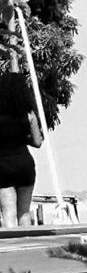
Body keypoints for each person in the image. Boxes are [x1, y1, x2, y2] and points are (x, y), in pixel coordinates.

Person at [0, 69, 42, 228]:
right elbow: (38, 142)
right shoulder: (29, 114)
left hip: (3, 166)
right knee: (24, 213)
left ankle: (11, 243)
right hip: (24, 165)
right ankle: (27, 240)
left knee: (8, 212)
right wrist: (23, 138)